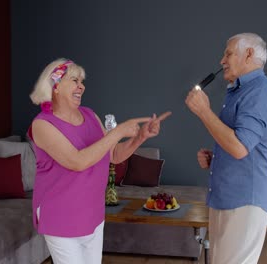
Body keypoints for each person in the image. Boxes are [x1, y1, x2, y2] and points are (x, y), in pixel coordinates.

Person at [28, 58, 171, 264]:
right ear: (56, 86)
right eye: (74, 80)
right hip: (59, 214)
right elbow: (77, 161)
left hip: (92, 212)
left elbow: (114, 155)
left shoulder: (90, 115)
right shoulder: (42, 125)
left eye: (82, 81)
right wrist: (118, 131)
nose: (81, 86)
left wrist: (140, 137)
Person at [185, 33, 267, 264]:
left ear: (249, 54)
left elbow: (239, 147)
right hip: (226, 197)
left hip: (244, 200)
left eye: (228, 53)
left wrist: (204, 112)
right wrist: (216, 157)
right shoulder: (239, 91)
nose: (222, 60)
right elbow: (237, 144)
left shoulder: (260, 92)